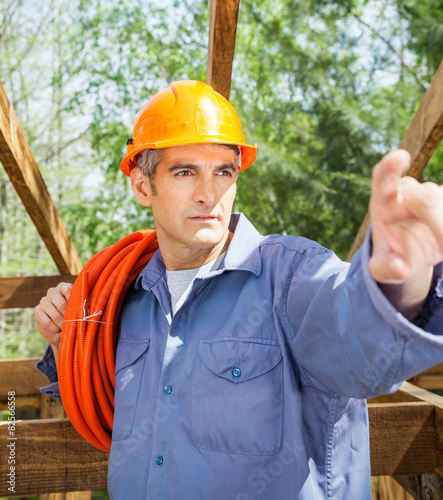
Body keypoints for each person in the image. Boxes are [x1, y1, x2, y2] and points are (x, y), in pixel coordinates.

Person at [34, 80, 443, 500]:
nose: (208, 193)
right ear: (142, 186)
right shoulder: (125, 300)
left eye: (223, 172)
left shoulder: (290, 276)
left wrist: (405, 278)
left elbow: (360, 339)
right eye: (185, 171)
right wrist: (67, 343)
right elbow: (98, 402)